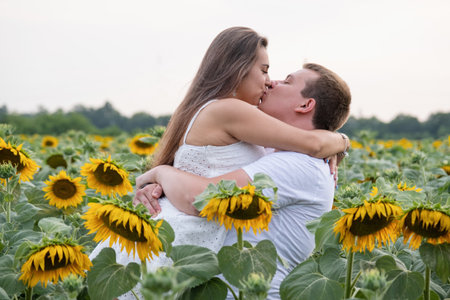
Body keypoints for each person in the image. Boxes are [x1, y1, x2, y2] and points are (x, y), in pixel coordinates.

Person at [89, 26, 347, 298]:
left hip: (182, 246)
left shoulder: (280, 151)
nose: (270, 81)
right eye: (264, 70)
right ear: (238, 68)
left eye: (281, 78)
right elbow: (312, 144)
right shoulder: (231, 110)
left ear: (306, 105)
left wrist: (335, 143)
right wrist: (340, 141)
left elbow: (311, 144)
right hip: (176, 244)